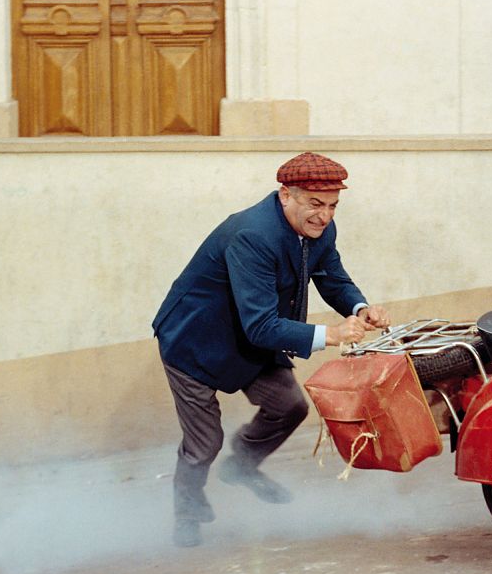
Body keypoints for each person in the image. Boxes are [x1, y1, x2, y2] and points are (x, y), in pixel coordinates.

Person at [153, 152, 390, 547]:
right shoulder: (253, 234)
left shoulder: (319, 231)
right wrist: (330, 335)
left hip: (253, 333)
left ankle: (242, 467)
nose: (325, 216)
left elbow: (332, 277)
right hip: (194, 342)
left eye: (333, 205)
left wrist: (359, 307)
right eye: (315, 204)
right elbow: (262, 326)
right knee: (203, 443)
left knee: (289, 406)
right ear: (285, 195)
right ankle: (188, 511)